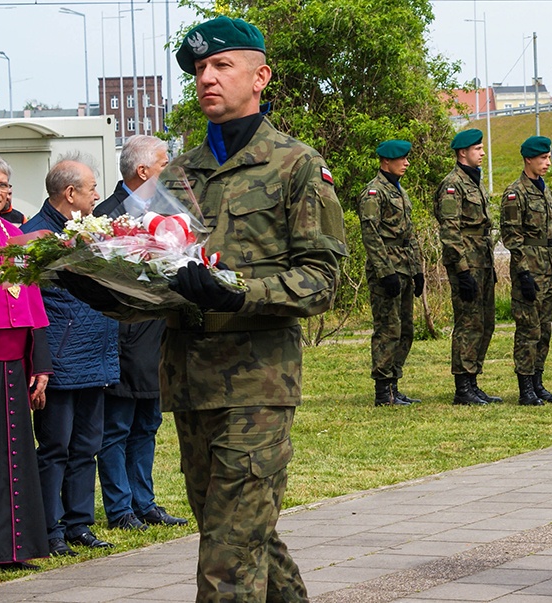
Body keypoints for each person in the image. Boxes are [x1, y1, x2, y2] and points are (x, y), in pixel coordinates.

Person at [57, 17, 347, 601]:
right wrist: (107, 294)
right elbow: (159, 281)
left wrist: (240, 293)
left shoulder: (295, 166)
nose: (206, 78)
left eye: (221, 66)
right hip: (190, 385)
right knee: (240, 538)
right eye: (198, 70)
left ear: (260, 76)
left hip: (255, 388)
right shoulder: (180, 174)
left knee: (227, 561)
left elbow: (322, 282)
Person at [22, 154, 120, 558]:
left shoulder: (89, 230)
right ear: (70, 193)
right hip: (61, 358)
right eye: (93, 188)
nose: (98, 194)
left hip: (96, 353)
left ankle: (80, 522)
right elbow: (32, 306)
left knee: (87, 444)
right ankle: (50, 527)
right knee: (55, 447)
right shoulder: (36, 237)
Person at [93, 135, 187, 531]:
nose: (171, 170)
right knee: (116, 427)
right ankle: (120, 509)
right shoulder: (107, 215)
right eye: (165, 163)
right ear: (143, 170)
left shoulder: (168, 210)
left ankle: (144, 502)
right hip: (121, 338)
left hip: (158, 336)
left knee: (148, 423)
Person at [0, 152, 52, 577]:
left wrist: (39, 362)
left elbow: (32, 299)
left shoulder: (14, 234)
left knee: (12, 458)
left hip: (11, 359)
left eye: (4, 185)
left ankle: (8, 548)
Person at [433, 128, 501, 406]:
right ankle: (462, 387)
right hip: (466, 262)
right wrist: (461, 270)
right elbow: (450, 232)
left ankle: (473, 381)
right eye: (477, 149)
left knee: (486, 322)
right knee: (468, 322)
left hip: (482, 258)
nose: (483, 153)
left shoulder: (474, 183)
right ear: (463, 153)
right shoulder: (453, 185)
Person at [358, 139, 424, 407]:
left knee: (405, 329)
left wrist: (418, 270)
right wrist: (386, 272)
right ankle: (383, 390)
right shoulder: (374, 193)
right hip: (387, 270)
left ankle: (394, 385)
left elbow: (410, 234)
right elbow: (371, 236)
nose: (406, 163)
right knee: (388, 329)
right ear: (386, 161)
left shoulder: (400, 192)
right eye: (402, 159)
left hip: (405, 268)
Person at [500, 136, 552, 406]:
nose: (547, 162)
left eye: (548, 157)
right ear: (528, 159)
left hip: (548, 266)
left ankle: (538, 383)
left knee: (544, 328)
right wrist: (523, 273)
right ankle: (525, 386)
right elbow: (512, 236)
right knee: (528, 329)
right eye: (542, 158)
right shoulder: (516, 192)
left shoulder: (545, 190)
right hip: (529, 267)